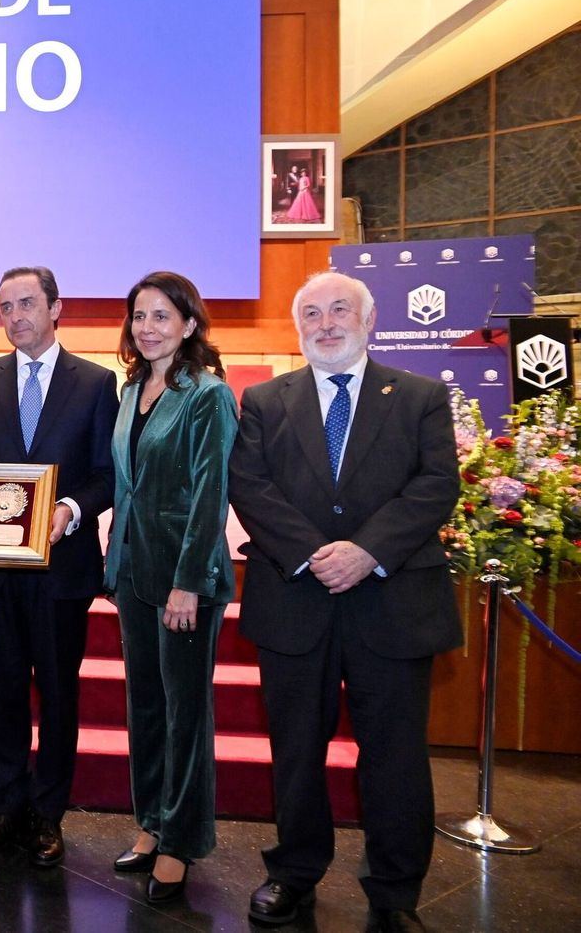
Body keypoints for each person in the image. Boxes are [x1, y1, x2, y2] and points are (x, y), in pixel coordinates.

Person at [230, 270, 459, 933]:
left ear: (369, 319)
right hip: (295, 599)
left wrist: (365, 551)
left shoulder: (417, 396)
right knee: (296, 752)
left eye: (339, 311)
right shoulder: (267, 401)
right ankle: (292, 874)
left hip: (391, 601)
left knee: (394, 757)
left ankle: (394, 894)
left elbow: (436, 483)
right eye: (311, 314)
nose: (325, 324)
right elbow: (250, 485)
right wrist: (313, 553)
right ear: (298, 328)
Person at [0, 266, 117, 867]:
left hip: (62, 572)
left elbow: (106, 474)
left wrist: (68, 511)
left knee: (57, 693)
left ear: (55, 308)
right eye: (5, 307)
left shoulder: (97, 383)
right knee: (0, 693)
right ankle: (3, 808)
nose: (16, 316)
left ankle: (47, 814)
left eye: (27, 303)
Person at [102, 271, 239, 903]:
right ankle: (152, 823)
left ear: (188, 324)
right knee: (146, 707)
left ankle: (182, 839)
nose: (147, 327)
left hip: (186, 580)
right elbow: (128, 485)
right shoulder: (134, 389)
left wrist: (189, 583)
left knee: (187, 714)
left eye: (161, 316)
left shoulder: (208, 395)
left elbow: (211, 496)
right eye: (138, 316)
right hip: (134, 573)